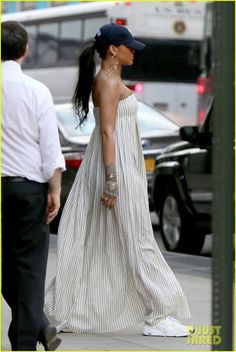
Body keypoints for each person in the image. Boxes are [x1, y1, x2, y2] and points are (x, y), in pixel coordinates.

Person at [45, 23, 192, 337]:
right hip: (115, 168)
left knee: (118, 239)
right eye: (129, 47)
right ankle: (158, 314)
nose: (133, 52)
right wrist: (112, 181)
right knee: (138, 239)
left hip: (123, 166)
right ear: (113, 49)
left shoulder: (111, 79)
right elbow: (107, 132)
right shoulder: (107, 82)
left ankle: (73, 309)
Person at [1, 21, 65, 351]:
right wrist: (54, 190)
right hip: (27, 190)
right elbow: (50, 150)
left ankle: (34, 325)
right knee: (28, 268)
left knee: (6, 269)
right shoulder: (37, 90)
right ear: (25, 51)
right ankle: (30, 334)